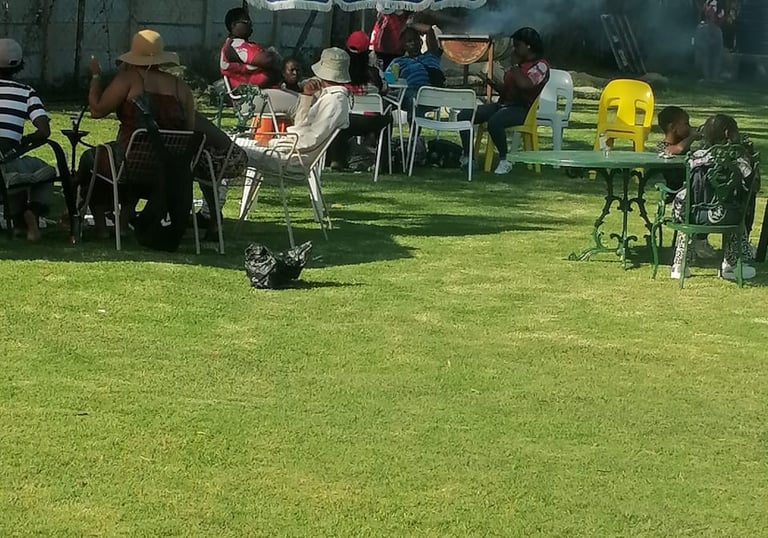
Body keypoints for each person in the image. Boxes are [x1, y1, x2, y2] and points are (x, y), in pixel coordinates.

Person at [78, 29, 195, 238]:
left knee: (92, 159)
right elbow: (189, 131)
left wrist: (95, 76)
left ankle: (98, 224)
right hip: (167, 168)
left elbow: (97, 110)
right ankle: (122, 223)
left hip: (129, 162)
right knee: (129, 165)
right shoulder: (182, 88)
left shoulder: (130, 78)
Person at [669, 114, 759, 281]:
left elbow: (689, 189)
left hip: (697, 216)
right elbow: (752, 186)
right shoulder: (739, 159)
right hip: (729, 217)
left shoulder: (696, 158)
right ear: (728, 133)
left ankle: (680, 264)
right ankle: (732, 264)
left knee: (685, 209)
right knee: (736, 210)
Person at [235, 47, 351, 172]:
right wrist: (306, 96)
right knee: (233, 144)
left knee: (231, 149)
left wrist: (272, 143)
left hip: (291, 159)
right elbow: (300, 125)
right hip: (289, 152)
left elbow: (310, 140)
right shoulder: (329, 97)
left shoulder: (334, 100)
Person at [459, 27, 550, 175]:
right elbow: (509, 90)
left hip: (522, 109)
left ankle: (504, 159)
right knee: (464, 115)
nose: (514, 49)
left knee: (495, 122)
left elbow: (525, 84)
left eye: (517, 45)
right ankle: (469, 157)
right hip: (503, 104)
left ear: (528, 46)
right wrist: (492, 83)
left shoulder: (541, 66)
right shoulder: (519, 64)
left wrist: (514, 66)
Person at [0, 39, 56, 241]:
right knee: (44, 171)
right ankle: (32, 212)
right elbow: (44, 131)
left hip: (5, 167)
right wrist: (25, 140)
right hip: (7, 162)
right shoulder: (26, 92)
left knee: (14, 170)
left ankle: (18, 223)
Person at [656, 106, 718, 260]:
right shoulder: (663, 147)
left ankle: (700, 241)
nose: (689, 127)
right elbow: (676, 149)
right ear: (672, 127)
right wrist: (692, 137)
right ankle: (697, 242)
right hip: (678, 193)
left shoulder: (686, 148)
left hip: (694, 191)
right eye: (685, 124)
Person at [326, 31, 392, 171]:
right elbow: (385, 90)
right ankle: (381, 163)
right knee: (388, 118)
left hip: (346, 119)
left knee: (338, 119)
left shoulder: (339, 74)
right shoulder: (374, 73)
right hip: (370, 121)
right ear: (367, 52)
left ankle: (336, 159)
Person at [220, 7, 298, 116]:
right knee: (301, 104)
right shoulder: (235, 46)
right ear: (234, 25)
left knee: (307, 99)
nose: (250, 24)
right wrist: (278, 60)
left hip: (259, 95)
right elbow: (267, 60)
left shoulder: (240, 44)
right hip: (250, 99)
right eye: (246, 22)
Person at [388, 24, 444, 122]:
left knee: (414, 98)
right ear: (404, 45)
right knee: (384, 100)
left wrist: (410, 25)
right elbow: (390, 81)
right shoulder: (398, 61)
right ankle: (382, 131)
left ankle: (414, 132)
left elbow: (429, 30)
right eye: (409, 41)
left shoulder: (431, 55)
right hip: (406, 94)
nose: (413, 43)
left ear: (421, 42)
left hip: (430, 95)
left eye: (415, 40)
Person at [695, 0, 725, 81]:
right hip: (703, 52)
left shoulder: (718, 31)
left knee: (717, 56)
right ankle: (707, 77)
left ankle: (715, 77)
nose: (712, 9)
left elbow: (719, 47)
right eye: (710, 7)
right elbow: (698, 43)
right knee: (705, 55)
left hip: (714, 51)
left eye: (714, 7)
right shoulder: (701, 28)